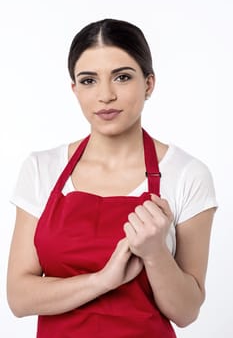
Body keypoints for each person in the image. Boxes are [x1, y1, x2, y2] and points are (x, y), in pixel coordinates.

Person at [7, 18, 217, 337]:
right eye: (89, 80)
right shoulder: (41, 169)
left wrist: (154, 251)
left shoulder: (187, 174)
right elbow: (19, 298)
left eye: (122, 77)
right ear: (75, 90)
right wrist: (103, 280)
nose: (105, 95)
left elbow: (186, 312)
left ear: (148, 84)